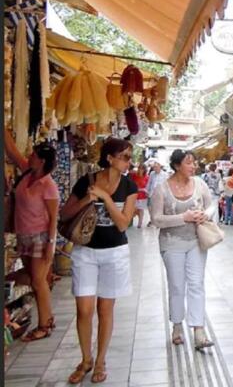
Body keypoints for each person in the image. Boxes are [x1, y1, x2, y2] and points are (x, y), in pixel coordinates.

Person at [60, 138, 138, 384]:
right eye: (124, 156)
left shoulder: (129, 186)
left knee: (105, 310)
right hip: (86, 252)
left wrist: (105, 198)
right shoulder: (87, 181)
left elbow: (124, 223)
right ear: (110, 158)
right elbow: (65, 213)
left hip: (115, 253)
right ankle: (85, 359)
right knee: (83, 310)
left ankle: (101, 360)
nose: (129, 161)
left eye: (129, 156)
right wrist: (88, 199)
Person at [150, 149, 216, 350]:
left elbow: (212, 205)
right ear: (177, 165)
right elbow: (156, 219)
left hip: (196, 241)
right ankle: (177, 325)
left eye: (194, 162)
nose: (193, 166)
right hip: (172, 243)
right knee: (177, 286)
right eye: (189, 162)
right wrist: (183, 218)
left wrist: (205, 214)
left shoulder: (200, 184)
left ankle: (198, 329)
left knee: (196, 283)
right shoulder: (162, 189)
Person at [4, 129, 59, 342]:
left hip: (40, 237)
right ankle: (46, 318)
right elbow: (12, 152)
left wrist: (50, 246)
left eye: (34, 155)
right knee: (33, 278)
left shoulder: (49, 185)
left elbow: (54, 218)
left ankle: (45, 325)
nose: (30, 157)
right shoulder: (28, 173)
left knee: (37, 281)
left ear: (42, 161)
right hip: (23, 235)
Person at [145, 161, 168, 226]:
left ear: (160, 166)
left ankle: (158, 221)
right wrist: (147, 191)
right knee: (150, 208)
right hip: (151, 193)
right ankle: (152, 220)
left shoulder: (165, 174)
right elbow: (149, 182)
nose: (155, 168)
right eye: (154, 167)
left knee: (159, 209)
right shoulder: (152, 173)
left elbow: (166, 185)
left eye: (156, 167)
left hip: (160, 195)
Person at [130, 164, 149, 228]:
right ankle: (130, 221)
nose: (140, 170)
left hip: (142, 196)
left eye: (142, 168)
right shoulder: (134, 175)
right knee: (133, 209)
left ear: (144, 170)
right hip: (134, 195)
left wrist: (143, 190)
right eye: (139, 168)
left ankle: (140, 223)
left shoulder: (147, 177)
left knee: (141, 209)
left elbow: (148, 187)